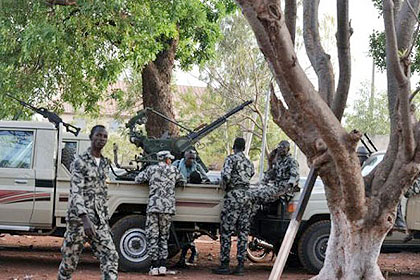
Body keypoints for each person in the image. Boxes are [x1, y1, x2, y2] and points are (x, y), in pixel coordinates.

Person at [58, 125, 119, 280]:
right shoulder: (80, 161)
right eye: (98, 135)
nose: (102, 139)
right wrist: (84, 219)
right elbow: (76, 191)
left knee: (110, 255)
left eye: (105, 136)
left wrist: (105, 222)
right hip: (79, 221)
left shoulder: (105, 163)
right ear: (91, 137)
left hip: (99, 221)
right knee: (69, 262)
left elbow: (103, 194)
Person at [135, 150, 185, 276]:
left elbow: (138, 179)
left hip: (153, 207)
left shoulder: (151, 169)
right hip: (167, 209)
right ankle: (163, 265)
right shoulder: (174, 170)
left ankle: (154, 266)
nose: (171, 161)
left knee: (153, 236)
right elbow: (182, 181)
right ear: (167, 159)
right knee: (164, 236)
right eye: (170, 159)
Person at [212, 137, 255, 276]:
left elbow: (225, 176)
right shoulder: (249, 162)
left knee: (226, 231)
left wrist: (224, 187)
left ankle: (225, 265)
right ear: (243, 148)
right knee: (243, 232)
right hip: (247, 197)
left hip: (233, 197)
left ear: (234, 146)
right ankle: (240, 266)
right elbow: (251, 174)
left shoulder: (231, 159)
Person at [249, 140, 300, 205]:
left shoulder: (292, 161)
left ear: (288, 149)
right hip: (276, 187)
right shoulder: (278, 162)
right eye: (279, 147)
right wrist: (263, 182)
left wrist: (287, 188)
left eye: (283, 147)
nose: (281, 149)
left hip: (284, 190)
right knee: (254, 192)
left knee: (259, 194)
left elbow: (294, 176)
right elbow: (271, 173)